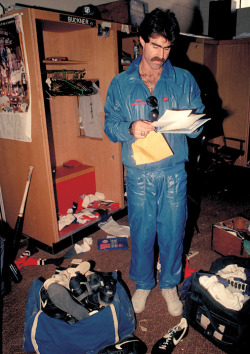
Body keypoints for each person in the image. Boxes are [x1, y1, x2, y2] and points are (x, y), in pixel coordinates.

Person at [104, 8, 205, 316]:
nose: (162, 54)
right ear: (141, 41)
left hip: (174, 171)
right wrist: (130, 128)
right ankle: (145, 283)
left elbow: (199, 121)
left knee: (174, 231)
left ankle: (170, 284)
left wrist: (192, 124)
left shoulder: (184, 79)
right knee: (143, 231)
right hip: (139, 174)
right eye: (156, 46)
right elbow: (110, 126)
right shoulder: (121, 84)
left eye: (168, 47)